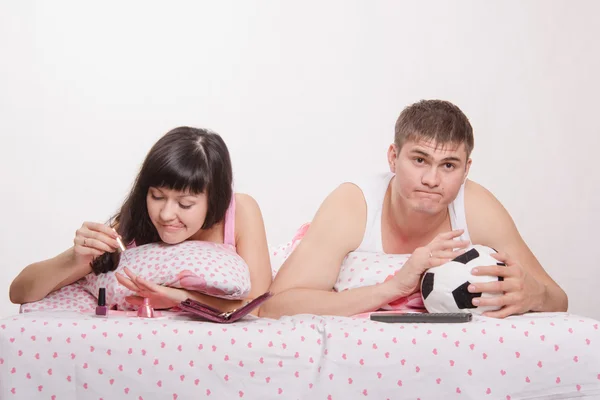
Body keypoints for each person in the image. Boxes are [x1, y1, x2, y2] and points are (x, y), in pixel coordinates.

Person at [260, 99, 568, 319]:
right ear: (393, 157)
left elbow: (558, 298)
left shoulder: (478, 207)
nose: (432, 180)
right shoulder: (353, 205)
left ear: (466, 169)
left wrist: (534, 295)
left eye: (449, 165)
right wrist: (394, 287)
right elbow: (274, 306)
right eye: (419, 160)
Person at [10, 126, 272, 313]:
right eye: (157, 196)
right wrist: (73, 259)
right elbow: (19, 292)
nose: (166, 214)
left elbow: (258, 307)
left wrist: (180, 298)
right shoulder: (133, 224)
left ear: (214, 198)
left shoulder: (239, 212)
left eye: (185, 204)